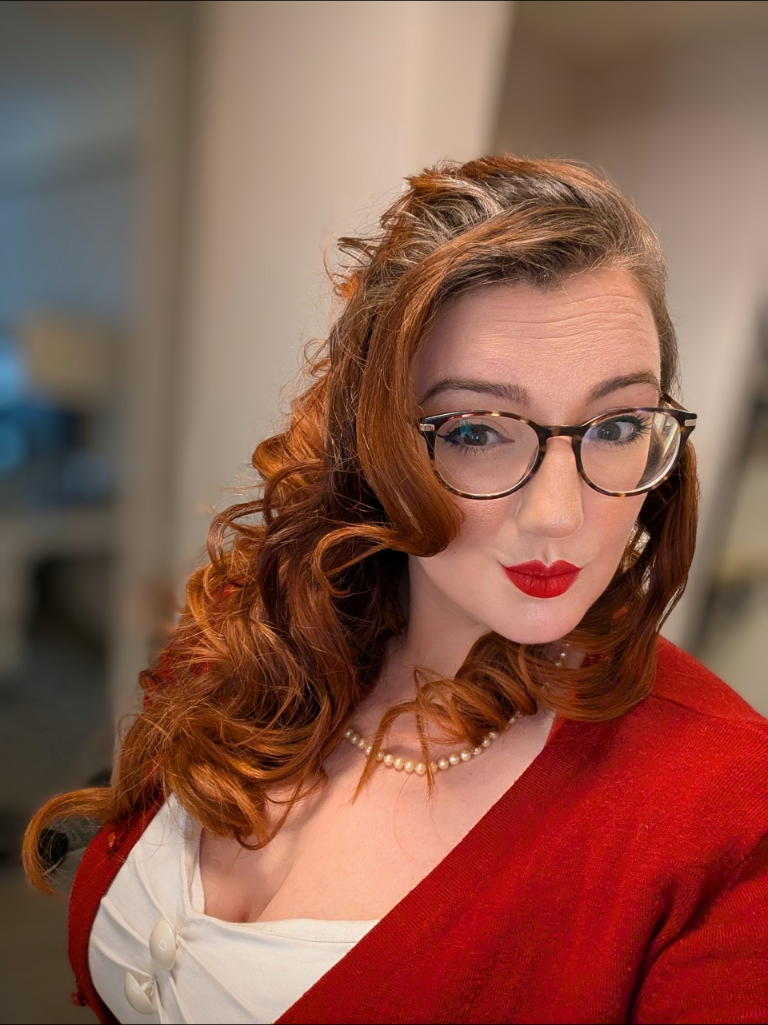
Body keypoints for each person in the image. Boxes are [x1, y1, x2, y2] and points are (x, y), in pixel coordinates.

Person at [25, 156, 768, 1024]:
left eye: (615, 426)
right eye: (475, 429)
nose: (560, 514)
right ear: (374, 440)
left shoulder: (727, 813)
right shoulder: (253, 629)